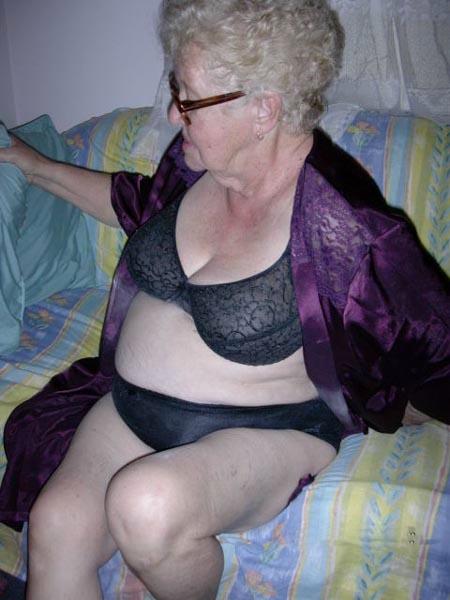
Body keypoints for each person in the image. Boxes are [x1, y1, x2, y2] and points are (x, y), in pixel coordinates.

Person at [0, 0, 449, 598]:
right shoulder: (194, 168)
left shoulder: (344, 225)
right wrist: (34, 167)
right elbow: (133, 205)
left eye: (188, 99)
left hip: (264, 431)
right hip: (130, 410)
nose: (172, 112)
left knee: (146, 504)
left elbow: (432, 342)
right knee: (56, 523)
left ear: (264, 109)